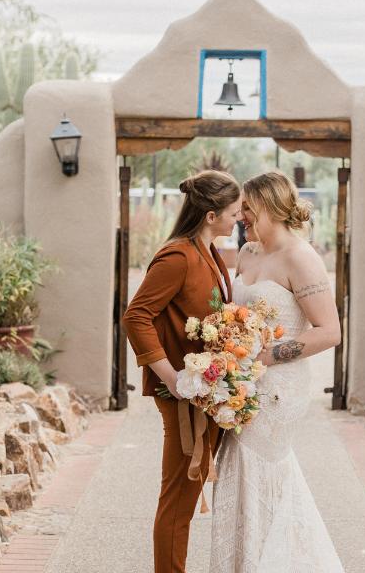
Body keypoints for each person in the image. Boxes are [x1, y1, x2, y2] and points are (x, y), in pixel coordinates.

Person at [210, 170, 345, 572]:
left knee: (259, 473)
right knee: (236, 474)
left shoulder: (301, 257)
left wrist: (267, 357)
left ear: (269, 205)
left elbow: (330, 332)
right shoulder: (248, 252)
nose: (242, 216)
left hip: (276, 390)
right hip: (240, 383)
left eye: (248, 208)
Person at [121, 169, 242, 573]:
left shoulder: (208, 253)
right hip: (182, 395)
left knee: (186, 494)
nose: (238, 218)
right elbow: (135, 316)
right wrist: (171, 376)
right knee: (178, 499)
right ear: (211, 215)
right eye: (234, 211)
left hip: (207, 391)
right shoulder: (178, 255)